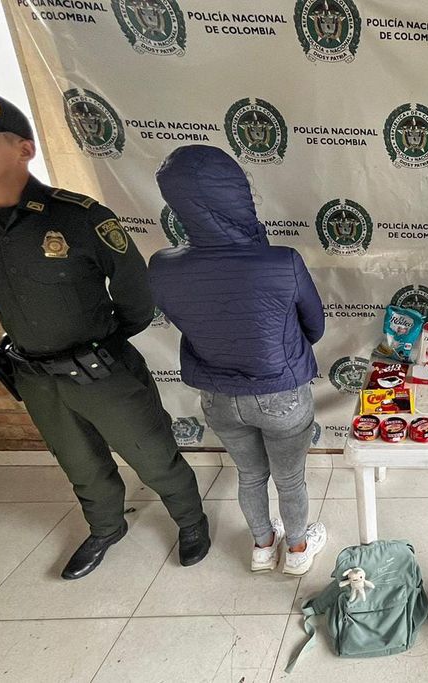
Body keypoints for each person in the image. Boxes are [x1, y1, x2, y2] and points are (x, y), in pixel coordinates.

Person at [0, 88, 209, 579]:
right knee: (78, 462)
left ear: (23, 148)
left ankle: (190, 520)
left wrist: (100, 345)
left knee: (151, 452)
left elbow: (137, 298)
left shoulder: (80, 218)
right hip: (34, 373)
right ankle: (106, 528)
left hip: (101, 369)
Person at [148, 144, 327, 575]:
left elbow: (194, 323)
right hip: (280, 392)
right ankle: (299, 551)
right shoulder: (281, 261)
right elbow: (315, 327)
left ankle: (263, 548)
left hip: (219, 396)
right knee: (290, 479)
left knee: (249, 475)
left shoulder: (162, 265)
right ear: (235, 196)